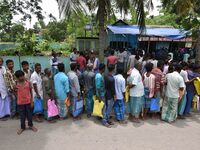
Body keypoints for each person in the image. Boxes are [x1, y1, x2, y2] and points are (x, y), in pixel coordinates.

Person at [15, 70, 37, 135]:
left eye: (22, 76)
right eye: (19, 77)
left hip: (28, 102)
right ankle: (22, 127)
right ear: (17, 77)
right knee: (22, 116)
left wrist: (32, 101)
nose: (21, 78)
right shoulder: (16, 84)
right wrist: (17, 97)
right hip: (20, 103)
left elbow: (31, 92)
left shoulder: (28, 82)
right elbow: (14, 91)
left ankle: (31, 125)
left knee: (29, 115)